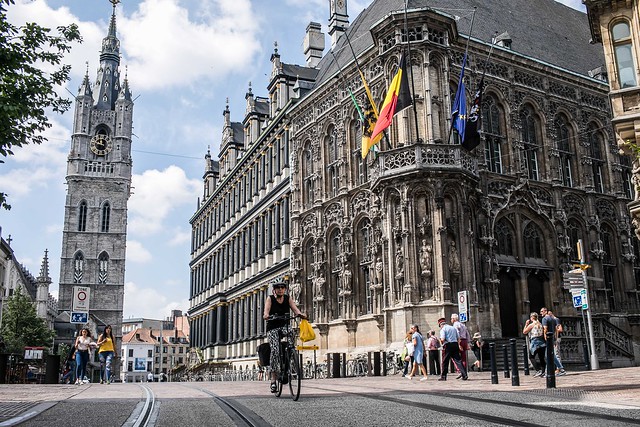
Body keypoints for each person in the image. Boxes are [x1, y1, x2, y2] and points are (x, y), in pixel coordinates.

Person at [263, 281, 305, 393]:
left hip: (284, 326)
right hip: (272, 328)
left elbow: (295, 309)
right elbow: (266, 311)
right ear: (274, 290)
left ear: (285, 289)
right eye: (278, 288)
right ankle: (273, 379)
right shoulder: (270, 299)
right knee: (275, 351)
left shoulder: (287, 298)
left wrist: (300, 314)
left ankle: (290, 354)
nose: (280, 289)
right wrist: (267, 315)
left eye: (282, 288)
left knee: (291, 333)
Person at [541, 308, 566, 376]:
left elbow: (545, 329)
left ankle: (550, 371)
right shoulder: (553, 319)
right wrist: (555, 339)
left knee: (549, 355)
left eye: (542, 311)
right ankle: (560, 369)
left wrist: (545, 337)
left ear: (545, 311)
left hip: (548, 339)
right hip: (553, 339)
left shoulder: (544, 319)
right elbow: (556, 330)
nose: (541, 313)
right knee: (550, 355)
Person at [523, 312, 546, 377]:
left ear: (532, 317)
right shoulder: (540, 324)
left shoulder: (532, 324)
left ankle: (538, 370)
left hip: (535, 342)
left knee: (531, 357)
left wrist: (526, 324)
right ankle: (543, 372)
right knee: (541, 357)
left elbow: (524, 332)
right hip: (541, 341)